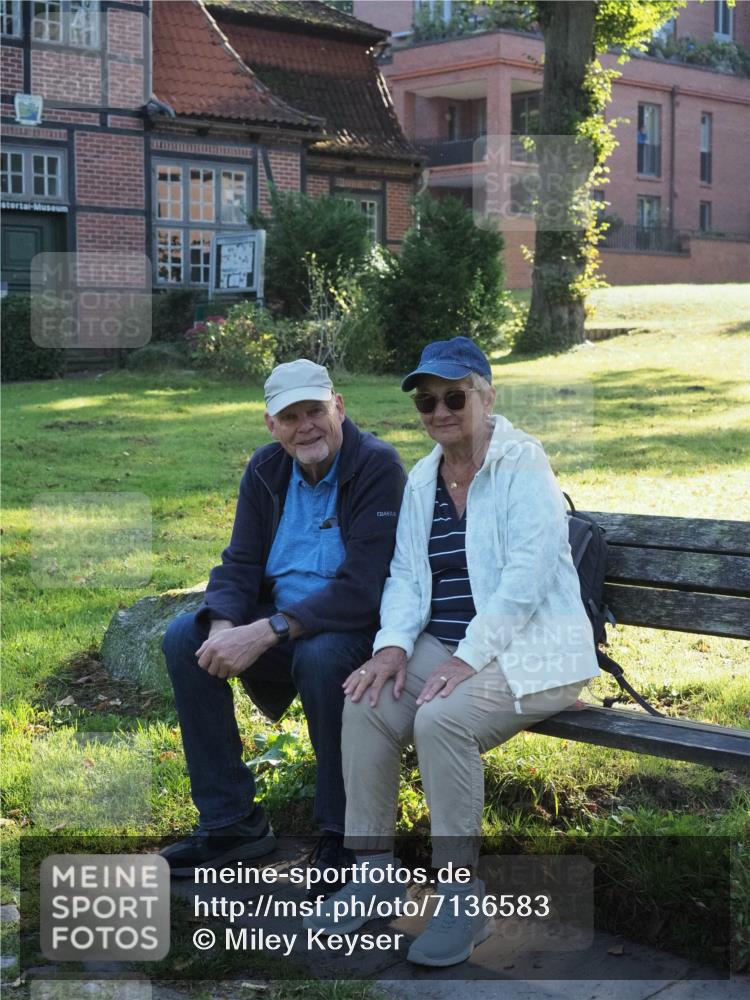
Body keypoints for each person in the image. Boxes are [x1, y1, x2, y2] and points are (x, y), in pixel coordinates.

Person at [304, 337, 600, 966]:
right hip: (452, 650)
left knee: (441, 721)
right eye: (427, 402)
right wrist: (390, 649)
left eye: (454, 397)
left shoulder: (523, 464)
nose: (439, 412)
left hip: (534, 652)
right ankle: (373, 872)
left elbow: (527, 578)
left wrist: (466, 659)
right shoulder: (423, 477)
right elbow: (408, 577)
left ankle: (461, 898)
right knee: (368, 699)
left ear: (486, 396)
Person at [161, 359, 405, 887]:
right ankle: (232, 824)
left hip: (354, 627)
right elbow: (240, 563)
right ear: (271, 425)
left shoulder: (377, 466)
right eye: (289, 417)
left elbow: (363, 589)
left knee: (322, 658)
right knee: (187, 637)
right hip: (282, 624)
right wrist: (225, 625)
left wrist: (268, 630)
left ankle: (344, 832)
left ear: (338, 407)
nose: (305, 427)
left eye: (314, 410)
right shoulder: (265, 468)